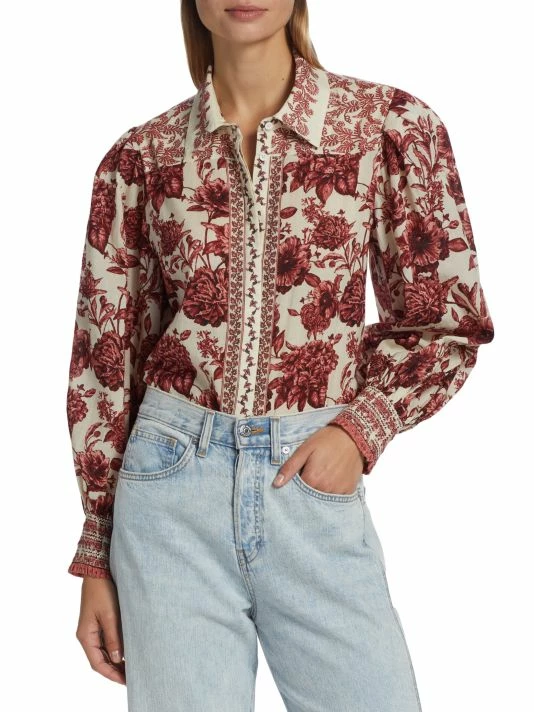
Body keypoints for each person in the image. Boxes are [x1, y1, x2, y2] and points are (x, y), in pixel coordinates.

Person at [66, 1, 495, 710]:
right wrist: (96, 551)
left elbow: (446, 321)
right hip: (168, 498)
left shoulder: (388, 127)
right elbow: (104, 363)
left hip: (311, 484)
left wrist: (359, 431)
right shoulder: (141, 158)